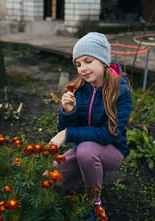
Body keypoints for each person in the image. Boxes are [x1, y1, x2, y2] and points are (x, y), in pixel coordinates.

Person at [49, 32, 132, 207]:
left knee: (86, 151)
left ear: (103, 61)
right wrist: (68, 111)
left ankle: (94, 203)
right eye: (78, 64)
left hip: (113, 149)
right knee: (52, 178)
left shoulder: (121, 91)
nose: (82, 68)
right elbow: (68, 128)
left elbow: (109, 133)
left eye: (88, 61)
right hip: (84, 149)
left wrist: (67, 133)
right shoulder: (80, 88)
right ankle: (78, 177)